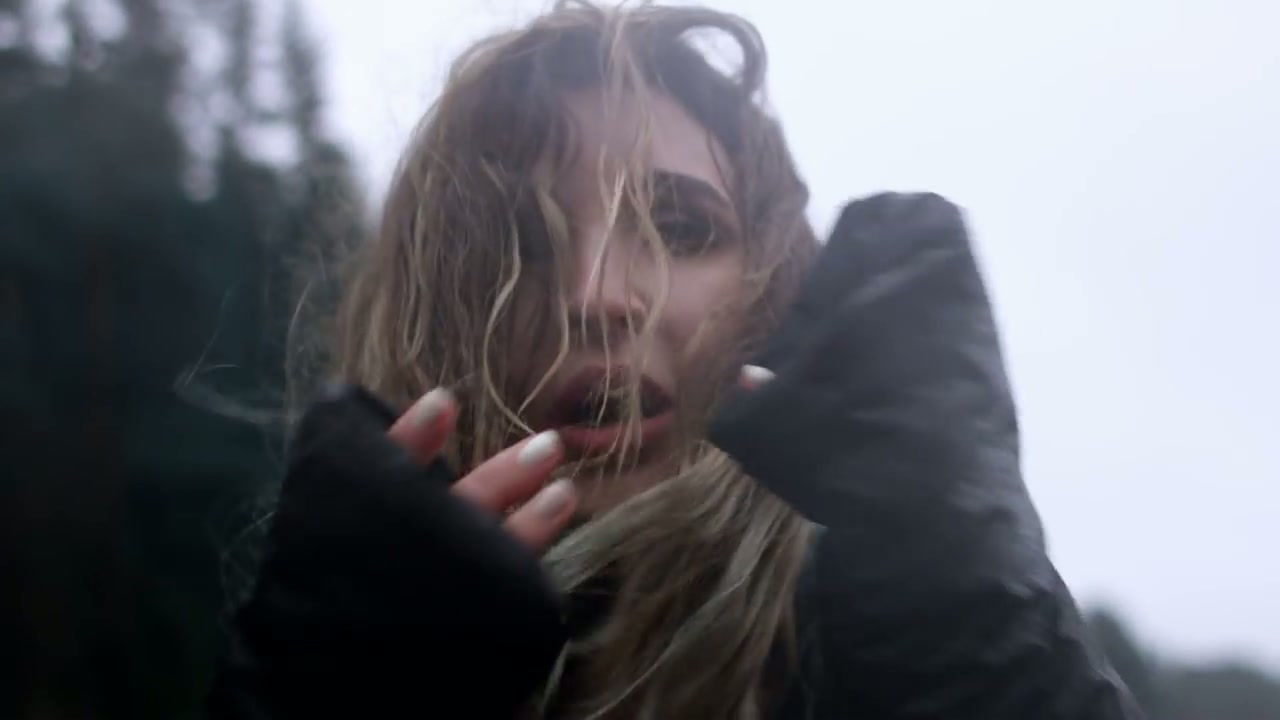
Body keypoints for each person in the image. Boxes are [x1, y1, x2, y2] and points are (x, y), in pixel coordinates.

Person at [207, 2, 1145, 718]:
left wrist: (966, 612)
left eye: (681, 227)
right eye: (519, 242)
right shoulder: (322, 645)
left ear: (774, 294)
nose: (596, 295)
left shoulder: (897, 638)